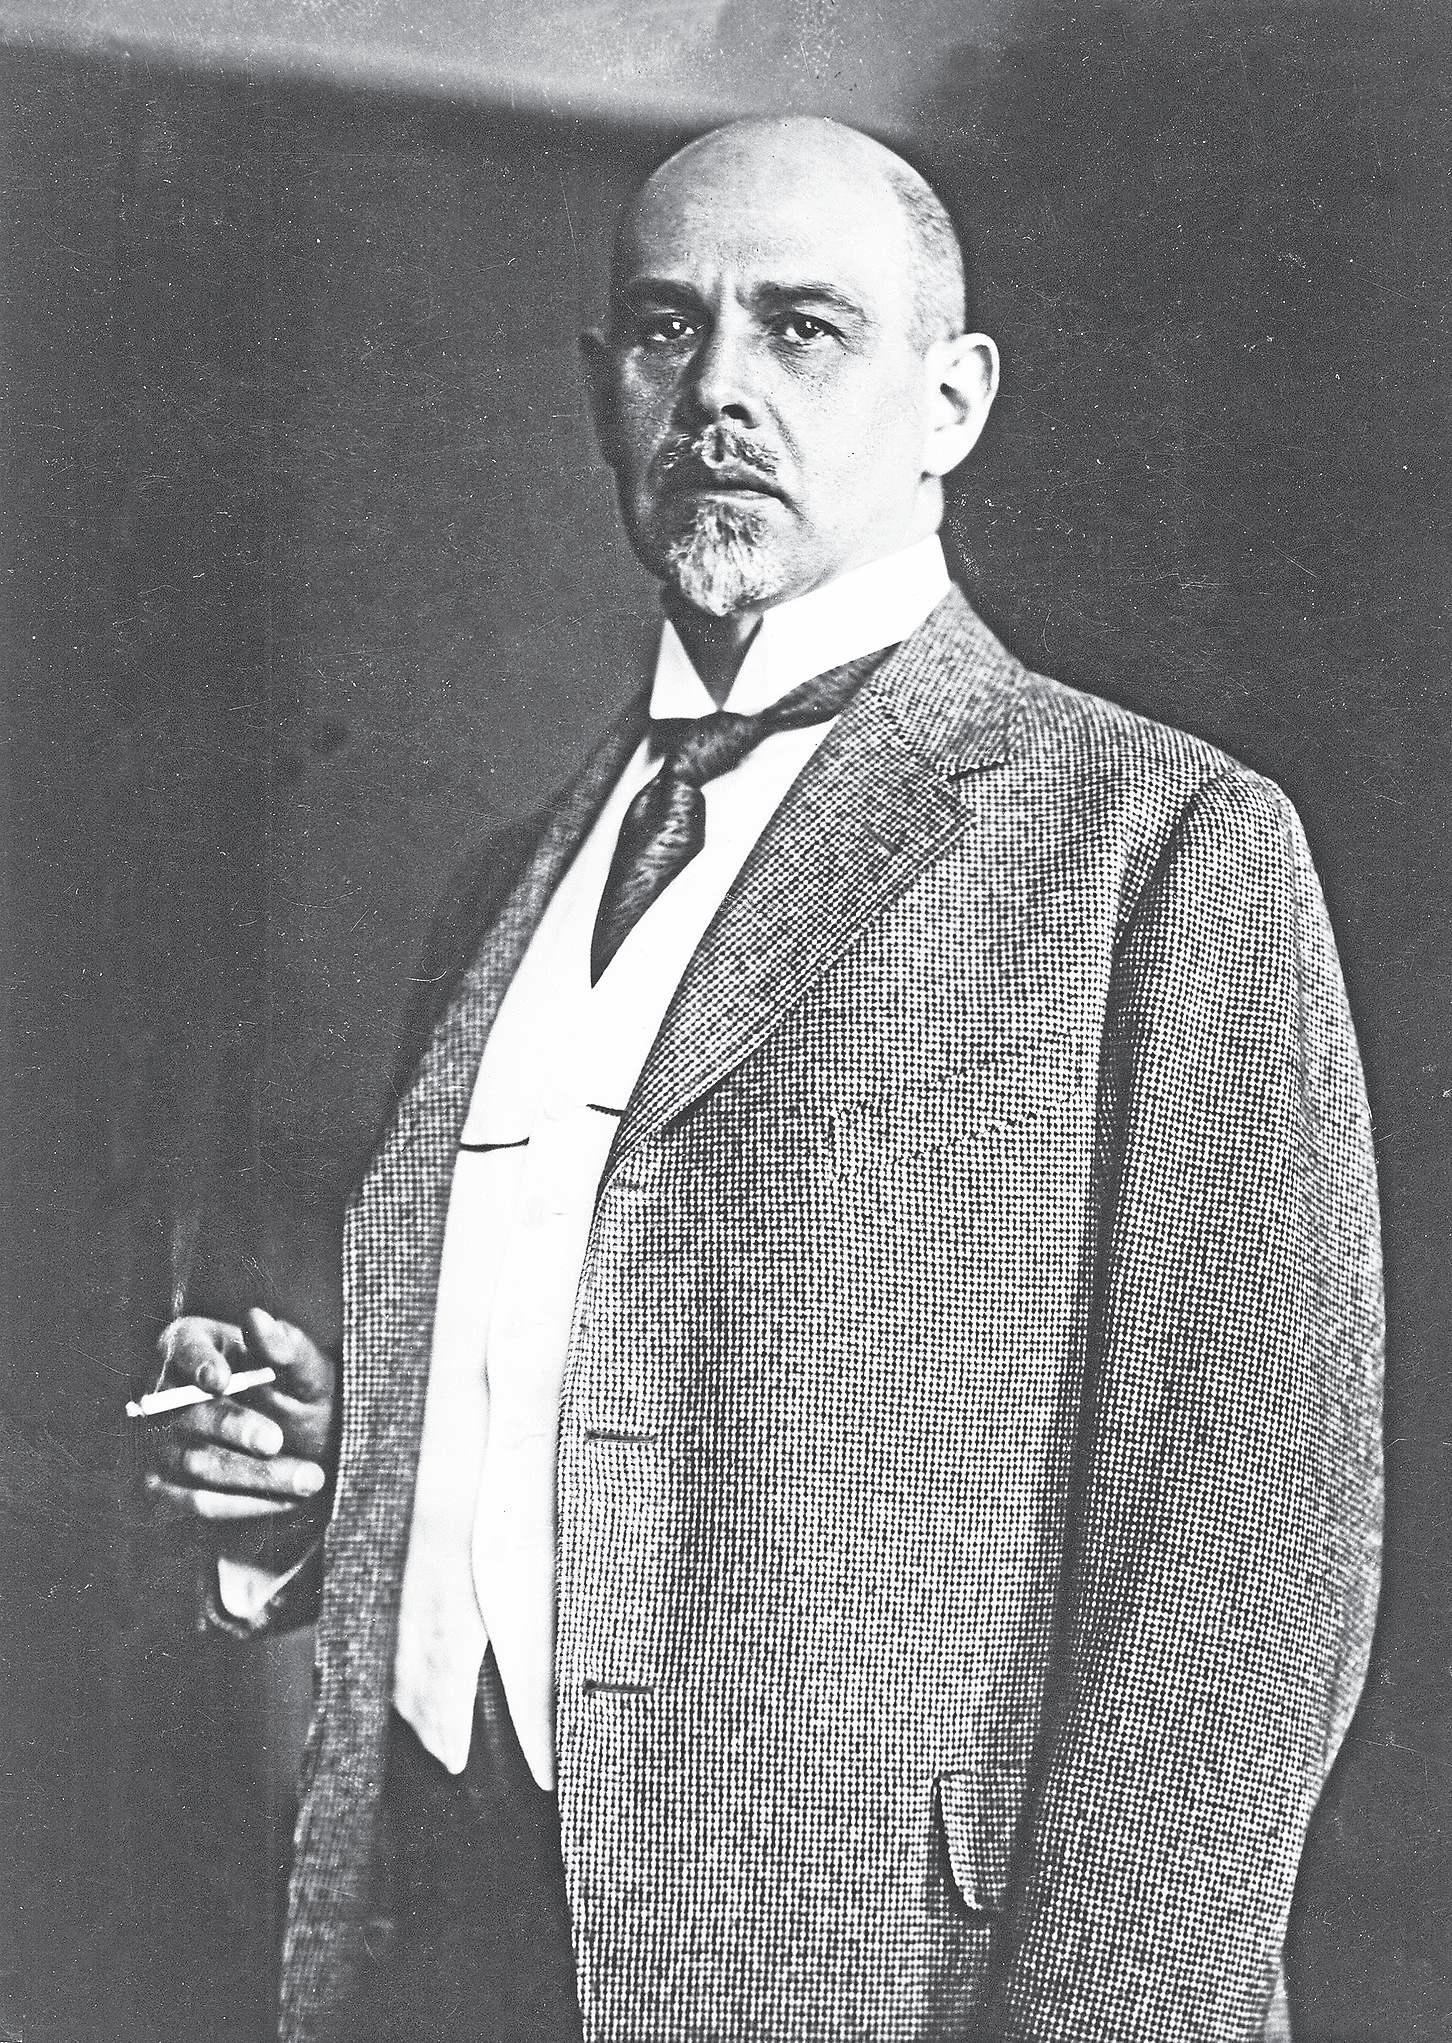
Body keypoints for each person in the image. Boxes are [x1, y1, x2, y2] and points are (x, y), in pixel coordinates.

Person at [144, 115, 1384, 2043]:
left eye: (804, 328)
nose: (719, 386)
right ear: (603, 396)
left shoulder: (1160, 844)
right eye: (667, 329)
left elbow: (1243, 1553)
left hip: (873, 1973)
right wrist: (336, 1478)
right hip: (439, 1941)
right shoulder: (510, 884)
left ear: (952, 401)